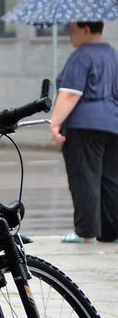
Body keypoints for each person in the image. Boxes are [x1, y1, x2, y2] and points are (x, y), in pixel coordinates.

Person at [50, 21, 118, 244]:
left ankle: (85, 231)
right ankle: (112, 231)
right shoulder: (113, 54)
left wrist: (55, 123)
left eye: (72, 30)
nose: (69, 35)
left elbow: (70, 94)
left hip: (84, 125)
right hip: (113, 124)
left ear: (86, 30)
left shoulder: (82, 56)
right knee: (110, 180)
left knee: (84, 178)